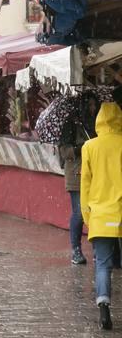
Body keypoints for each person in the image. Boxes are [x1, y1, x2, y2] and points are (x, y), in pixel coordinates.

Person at [80, 92, 122, 331]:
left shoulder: (89, 147)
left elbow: (85, 183)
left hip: (100, 213)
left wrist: (87, 215)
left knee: (103, 263)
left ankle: (104, 304)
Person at [59, 93, 97, 266]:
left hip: (95, 172)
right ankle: (76, 249)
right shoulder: (70, 125)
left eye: (93, 104)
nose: (92, 108)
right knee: (79, 213)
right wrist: (84, 147)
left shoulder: (95, 123)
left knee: (96, 211)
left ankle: (98, 249)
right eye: (88, 105)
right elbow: (65, 153)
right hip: (76, 174)